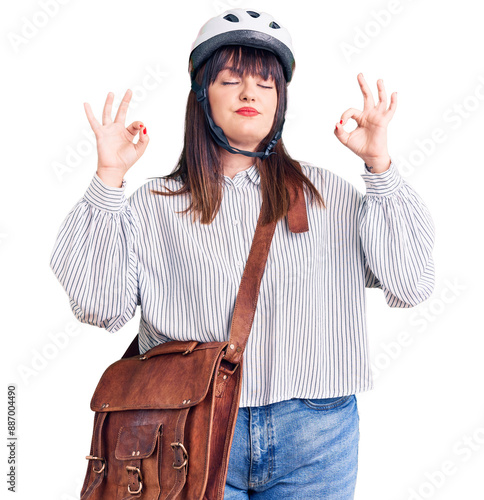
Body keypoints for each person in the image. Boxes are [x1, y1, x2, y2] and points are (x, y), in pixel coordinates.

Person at [49, 7, 435, 499]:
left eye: (265, 83)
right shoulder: (153, 205)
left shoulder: (329, 193)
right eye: (230, 79)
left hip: (316, 431)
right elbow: (99, 306)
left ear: (281, 102)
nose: (250, 92)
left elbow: (412, 284)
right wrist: (108, 180)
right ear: (201, 95)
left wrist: (380, 166)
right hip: (187, 426)